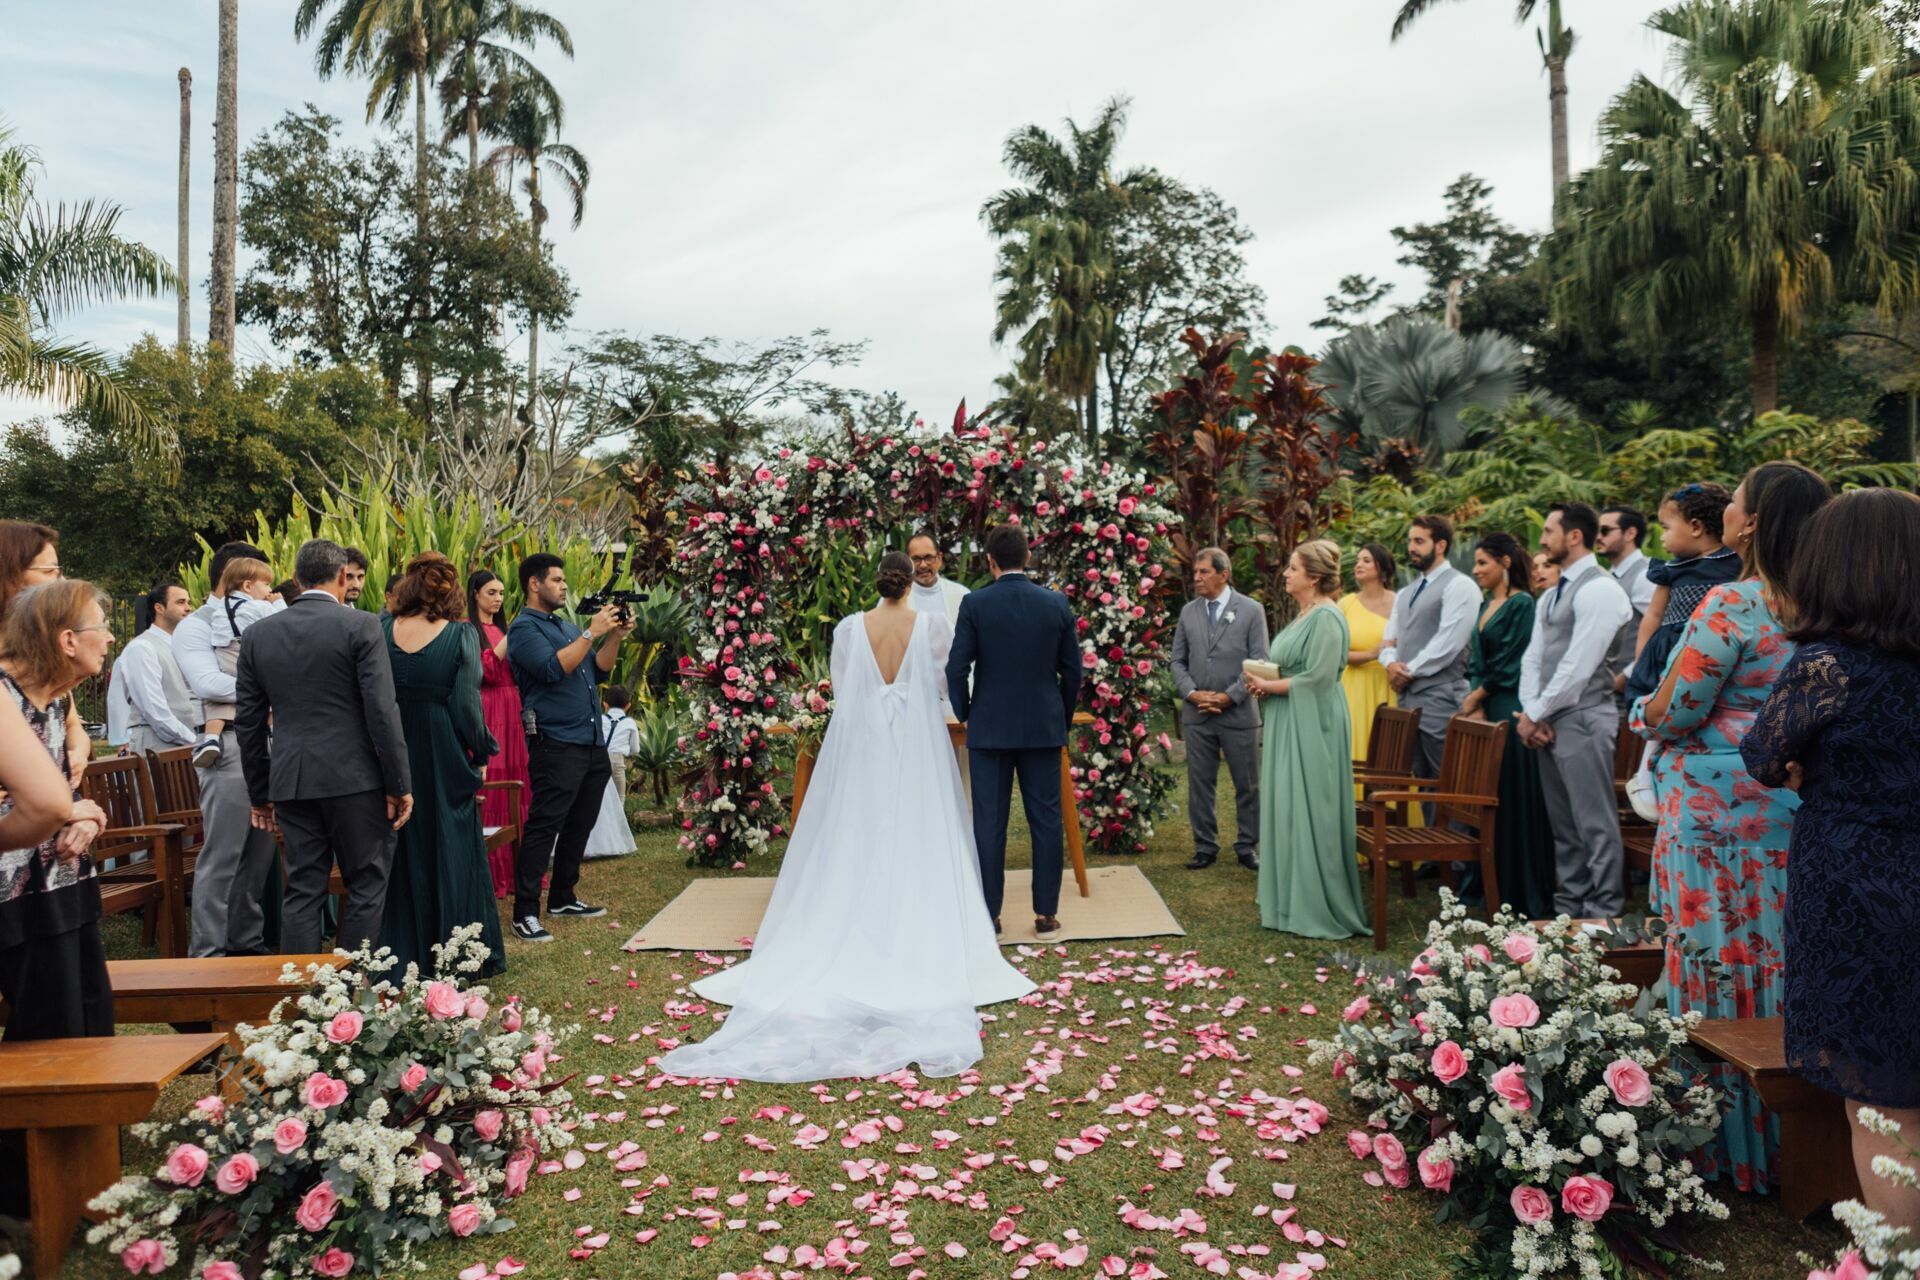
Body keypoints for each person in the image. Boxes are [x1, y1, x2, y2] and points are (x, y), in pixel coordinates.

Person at [660, 553, 1034, 1083]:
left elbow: (844, 688)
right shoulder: (931, 625)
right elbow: (947, 685)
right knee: (920, 833)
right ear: (910, 585)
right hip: (917, 744)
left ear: (878, 582)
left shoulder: (847, 628)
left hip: (864, 745)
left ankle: (853, 917)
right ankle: (909, 921)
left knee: (855, 833)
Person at [1630, 461, 1833, 1194]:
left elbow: (1677, 707)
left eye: (1737, 503)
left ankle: (1720, 1153)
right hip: (1791, 811)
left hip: (1714, 823)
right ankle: (1797, 1147)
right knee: (1782, 966)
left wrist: (1642, 711)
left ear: (1750, 523)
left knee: (1710, 972)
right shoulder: (1828, 605)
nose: (1730, 511)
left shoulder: (1732, 603)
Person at [1742, 488, 1920, 1237]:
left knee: (1880, 1102)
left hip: (1854, 887)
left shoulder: (1828, 667)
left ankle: (1899, 1258)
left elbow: (1760, 755)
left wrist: (1814, 771)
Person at [235, 539, 414, 957]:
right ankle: (351, 1001)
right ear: (340, 577)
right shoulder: (361, 625)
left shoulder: (258, 634)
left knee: (302, 889)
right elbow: (382, 711)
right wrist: (398, 783)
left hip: (292, 780)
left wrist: (260, 794)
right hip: (356, 778)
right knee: (366, 883)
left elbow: (248, 724)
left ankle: (301, 1002)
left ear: (296, 579)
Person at [0, 581, 113, 1220]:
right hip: (12, 896)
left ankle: (87, 1171)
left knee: (86, 1017)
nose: (110, 637)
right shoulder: (4, 698)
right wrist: (63, 812)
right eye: (102, 627)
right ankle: (26, 1196)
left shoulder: (57, 702)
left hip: (61, 886)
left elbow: (71, 795)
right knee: (42, 1037)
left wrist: (84, 818)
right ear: (68, 641)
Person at [947, 525, 1083, 936]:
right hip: (1043, 727)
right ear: (1027, 558)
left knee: (989, 823)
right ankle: (1046, 914)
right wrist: (1060, 717)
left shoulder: (975, 604)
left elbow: (956, 668)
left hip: (990, 729)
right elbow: (1073, 671)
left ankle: (990, 915)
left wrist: (967, 712)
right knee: (1046, 820)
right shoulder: (1056, 604)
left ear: (990, 561)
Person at [378, 552, 504, 979]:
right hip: (439, 746)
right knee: (451, 846)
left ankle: (399, 955)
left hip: (389, 745)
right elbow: (467, 706)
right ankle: (455, 953)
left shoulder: (380, 629)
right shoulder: (461, 635)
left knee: (400, 849)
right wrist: (482, 751)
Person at [506, 552, 634, 942]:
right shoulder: (524, 629)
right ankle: (525, 912)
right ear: (534, 583)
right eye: (557, 580)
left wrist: (614, 635)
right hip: (556, 740)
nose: (563, 586)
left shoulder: (563, 626)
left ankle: (563, 896)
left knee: (581, 823)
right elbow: (551, 669)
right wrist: (590, 632)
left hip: (591, 740)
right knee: (545, 826)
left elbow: (599, 670)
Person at [1244, 539, 1367, 940]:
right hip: (1288, 717)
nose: (1285, 574)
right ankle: (1289, 900)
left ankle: (1317, 902)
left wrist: (1271, 684)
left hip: (1313, 723)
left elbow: (1318, 678)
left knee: (1311, 805)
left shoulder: (1328, 618)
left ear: (1313, 577)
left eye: (1293, 568)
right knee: (1287, 805)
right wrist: (1267, 682)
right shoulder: (1304, 613)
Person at [1518, 503, 1632, 919]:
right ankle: (1569, 911)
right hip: (1551, 719)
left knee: (1593, 822)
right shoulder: (1551, 595)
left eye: (1549, 532)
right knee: (1564, 826)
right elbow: (1534, 658)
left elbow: (1579, 665)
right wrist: (1533, 711)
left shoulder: (1600, 589)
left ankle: (1603, 912)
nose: (1542, 540)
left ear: (1574, 537)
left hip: (1585, 717)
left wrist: (1536, 714)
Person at [173, 540, 283, 957]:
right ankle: (207, 952)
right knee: (223, 853)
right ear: (234, 575)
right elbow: (206, 684)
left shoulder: (257, 618)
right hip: (230, 744)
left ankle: (245, 941)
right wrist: (266, 690)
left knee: (258, 854)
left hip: (269, 738)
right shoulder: (197, 625)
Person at [1622, 483, 1740, 820]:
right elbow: (1654, 616)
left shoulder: (1735, 564)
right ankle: (1645, 772)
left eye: (1665, 527)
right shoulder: (1671, 571)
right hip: (1671, 651)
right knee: (1660, 711)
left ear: (1696, 527)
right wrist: (1643, 655)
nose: (1661, 537)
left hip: (1710, 650)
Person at [1458, 533, 1552, 919]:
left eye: (1483, 563)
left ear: (1506, 563)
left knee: (1511, 794)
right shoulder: (1485, 603)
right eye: (1476, 563)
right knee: (1487, 791)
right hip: (1484, 705)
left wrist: (1477, 696)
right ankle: (1484, 882)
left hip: (1509, 703)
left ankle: (1521, 888)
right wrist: (1475, 699)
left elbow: (1513, 660)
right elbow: (1477, 658)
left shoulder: (1522, 604)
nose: (1476, 570)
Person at [1169, 547, 1269, 872]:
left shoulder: (1252, 611)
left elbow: (1261, 660)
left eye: (1203, 572)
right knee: (1200, 784)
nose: (1196, 578)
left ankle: (1247, 845)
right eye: (1195, 572)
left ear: (1223, 575)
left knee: (1248, 783)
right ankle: (1205, 846)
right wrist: (1193, 694)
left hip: (1238, 713)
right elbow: (1177, 661)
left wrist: (1229, 697)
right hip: (1198, 714)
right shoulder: (1188, 612)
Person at [1379, 516, 1479, 815]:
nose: (1412, 547)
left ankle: (1457, 861)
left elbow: (1448, 643)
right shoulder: (1407, 592)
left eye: (1419, 541)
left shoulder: (1461, 586)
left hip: (1441, 697)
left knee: (1447, 779)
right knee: (1422, 781)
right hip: (1408, 699)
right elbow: (1388, 640)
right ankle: (1432, 858)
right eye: (1410, 541)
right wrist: (1390, 665)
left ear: (1441, 545)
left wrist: (1405, 671)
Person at [0, 521, 87, 793]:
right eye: (50, 571)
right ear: (9, 577)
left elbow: (73, 724)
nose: (61, 582)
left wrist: (78, 752)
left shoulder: (38, 655)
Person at [469, 569, 529, 897]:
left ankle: (519, 867)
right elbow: (487, 671)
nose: (498, 599)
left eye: (502, 593)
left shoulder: (504, 629)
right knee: (492, 785)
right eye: (492, 592)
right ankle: (493, 872)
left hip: (513, 709)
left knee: (516, 786)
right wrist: (511, 634)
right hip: (489, 710)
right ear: (475, 593)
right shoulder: (467, 630)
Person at [189, 556, 275, 767]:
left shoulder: (220, 608)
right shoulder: (257, 607)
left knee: (218, 701)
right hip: (244, 652)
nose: (269, 590)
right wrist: (277, 602)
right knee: (269, 691)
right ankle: (274, 734)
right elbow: (280, 619)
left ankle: (210, 739)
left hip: (224, 652)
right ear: (248, 585)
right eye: (266, 584)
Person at [105, 582, 199, 755]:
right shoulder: (142, 648)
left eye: (188, 602)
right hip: (155, 748)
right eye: (180, 602)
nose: (188, 608)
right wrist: (196, 741)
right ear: (159, 608)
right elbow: (155, 712)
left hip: (186, 747)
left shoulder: (183, 646)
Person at [1338, 542, 1398, 770]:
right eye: (1357, 561)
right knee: (1355, 743)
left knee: (1389, 748)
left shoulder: (1399, 603)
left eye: (1366, 560)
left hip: (1388, 684)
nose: (1358, 565)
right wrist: (1373, 653)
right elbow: (1338, 653)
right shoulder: (1346, 604)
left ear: (1382, 568)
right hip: (1354, 686)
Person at [1598, 505, 1658, 703]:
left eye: (1605, 530)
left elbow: (1660, 633)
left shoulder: (1644, 575)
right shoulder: (1608, 577)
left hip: (1628, 695)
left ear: (1630, 533)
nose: (1598, 536)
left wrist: (1626, 677)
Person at [584, 686, 638, 859]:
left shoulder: (600, 719)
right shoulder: (630, 723)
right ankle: (618, 837)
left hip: (599, 759)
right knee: (619, 799)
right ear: (628, 705)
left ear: (605, 704)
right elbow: (634, 749)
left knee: (599, 798)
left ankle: (600, 836)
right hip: (617, 761)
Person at [904, 531, 970, 627]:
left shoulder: (961, 595)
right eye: (916, 559)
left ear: (939, 558)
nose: (923, 565)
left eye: (928, 557)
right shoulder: (895, 599)